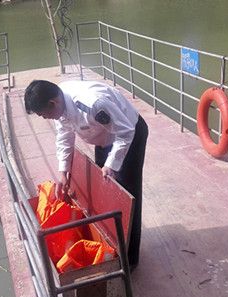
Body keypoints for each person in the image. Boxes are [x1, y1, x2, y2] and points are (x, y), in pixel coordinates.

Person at [24, 79, 148, 269]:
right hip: (104, 138)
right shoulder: (60, 105)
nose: (46, 118)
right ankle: (111, 246)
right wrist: (63, 171)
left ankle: (130, 260)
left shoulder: (92, 104)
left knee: (127, 197)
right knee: (104, 192)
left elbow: (125, 132)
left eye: (44, 114)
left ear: (52, 103)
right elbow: (64, 136)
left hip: (128, 135)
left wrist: (111, 164)